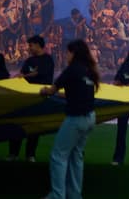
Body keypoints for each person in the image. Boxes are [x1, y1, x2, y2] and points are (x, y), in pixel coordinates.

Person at [38, 40, 99, 199]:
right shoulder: (88, 71)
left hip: (76, 119)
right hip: (90, 117)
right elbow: (76, 92)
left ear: (73, 53)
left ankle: (57, 195)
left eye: (68, 52)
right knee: (76, 156)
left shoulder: (71, 70)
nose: (66, 55)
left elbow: (51, 90)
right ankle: (74, 195)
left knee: (58, 156)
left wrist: (43, 91)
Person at [9, 34, 54, 161]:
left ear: (38, 45)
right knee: (19, 124)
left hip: (39, 97)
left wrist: (24, 76)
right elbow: (22, 74)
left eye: (31, 45)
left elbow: (39, 74)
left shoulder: (47, 59)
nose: (29, 48)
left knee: (34, 127)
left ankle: (30, 154)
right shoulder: (29, 61)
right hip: (25, 97)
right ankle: (13, 153)